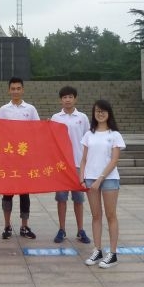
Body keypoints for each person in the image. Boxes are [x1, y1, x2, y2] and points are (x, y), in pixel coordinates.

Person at [79, 99, 126, 269]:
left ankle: (112, 253)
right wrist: (82, 177)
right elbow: (83, 158)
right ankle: (97, 250)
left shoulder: (114, 135)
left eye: (103, 111)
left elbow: (114, 160)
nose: (100, 113)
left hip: (109, 179)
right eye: (97, 111)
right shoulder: (88, 134)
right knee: (95, 215)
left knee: (110, 215)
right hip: (91, 180)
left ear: (109, 113)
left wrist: (100, 179)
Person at [0, 76, 40, 240]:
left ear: (23, 90)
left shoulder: (31, 109)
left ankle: (24, 226)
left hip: (24, 159)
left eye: (18, 88)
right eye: (12, 88)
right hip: (8, 158)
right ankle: (7, 226)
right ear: (9, 90)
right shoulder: (3, 110)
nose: (15, 91)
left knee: (24, 194)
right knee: (7, 193)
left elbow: (38, 130)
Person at [50, 86, 91, 244]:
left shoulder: (82, 117)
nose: (67, 100)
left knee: (79, 198)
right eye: (64, 97)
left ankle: (81, 230)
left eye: (70, 97)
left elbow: (88, 139)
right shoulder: (55, 117)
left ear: (75, 99)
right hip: (61, 164)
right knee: (61, 198)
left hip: (78, 164)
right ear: (60, 100)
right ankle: (62, 229)